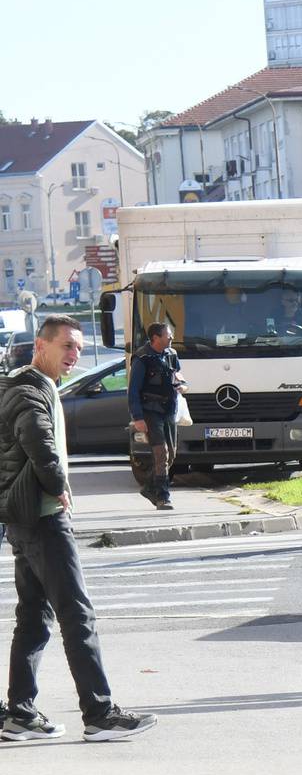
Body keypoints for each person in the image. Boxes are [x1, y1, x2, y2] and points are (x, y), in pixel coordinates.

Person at [0, 316, 156, 743]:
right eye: (67, 346)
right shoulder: (28, 389)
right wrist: (58, 485)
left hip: (27, 516)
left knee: (35, 616)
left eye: (78, 348)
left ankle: (20, 713)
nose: (74, 355)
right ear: (41, 345)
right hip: (44, 516)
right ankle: (99, 713)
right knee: (77, 614)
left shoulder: (27, 386)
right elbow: (37, 437)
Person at [127, 322, 186, 510]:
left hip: (169, 409)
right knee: (161, 454)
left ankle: (150, 488)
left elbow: (178, 374)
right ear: (155, 338)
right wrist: (138, 418)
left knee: (172, 454)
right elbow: (133, 391)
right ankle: (163, 496)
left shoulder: (172, 354)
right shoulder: (142, 358)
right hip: (150, 411)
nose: (171, 338)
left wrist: (183, 385)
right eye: (167, 335)